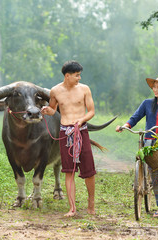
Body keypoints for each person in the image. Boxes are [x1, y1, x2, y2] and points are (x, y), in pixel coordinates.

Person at [116, 73, 158, 218]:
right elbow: (135, 117)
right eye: (154, 87)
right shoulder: (146, 103)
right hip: (147, 141)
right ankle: (147, 191)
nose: (155, 90)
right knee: (149, 171)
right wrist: (125, 126)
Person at [41, 60, 96, 217]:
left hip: (81, 131)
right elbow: (53, 110)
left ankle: (91, 203)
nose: (79, 78)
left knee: (89, 171)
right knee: (69, 171)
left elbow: (91, 111)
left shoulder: (84, 89)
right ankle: (72, 208)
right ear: (67, 76)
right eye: (77, 75)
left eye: (80, 75)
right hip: (65, 132)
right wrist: (47, 110)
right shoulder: (55, 91)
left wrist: (82, 120)